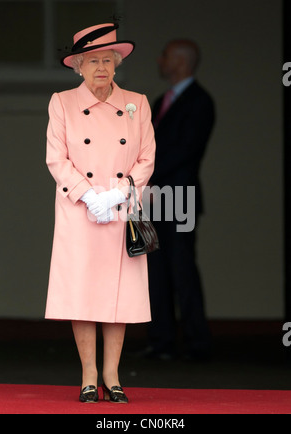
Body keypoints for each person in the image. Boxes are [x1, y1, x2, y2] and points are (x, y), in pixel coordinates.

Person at [45, 23, 156, 403]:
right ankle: (89, 374)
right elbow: (56, 159)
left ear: (117, 63)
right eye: (93, 60)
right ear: (78, 65)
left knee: (117, 294)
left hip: (120, 209)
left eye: (108, 59)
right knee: (83, 290)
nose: (102, 67)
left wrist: (118, 194)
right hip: (80, 209)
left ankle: (113, 374)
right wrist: (88, 195)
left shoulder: (137, 102)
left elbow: (146, 158)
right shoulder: (62, 102)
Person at [147, 39, 215, 361]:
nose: (160, 60)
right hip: (156, 196)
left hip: (179, 195)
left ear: (181, 61)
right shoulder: (164, 100)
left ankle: (196, 341)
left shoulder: (199, 102)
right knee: (155, 269)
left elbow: (184, 150)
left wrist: (143, 172)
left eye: (165, 55)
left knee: (181, 266)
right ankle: (162, 340)